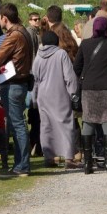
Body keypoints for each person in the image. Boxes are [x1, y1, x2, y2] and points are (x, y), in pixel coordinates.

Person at [74, 17, 107, 174]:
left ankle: (87, 164)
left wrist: (84, 78)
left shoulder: (85, 44)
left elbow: (76, 66)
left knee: (88, 121)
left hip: (89, 88)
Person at [0, 3, 34, 177]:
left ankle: (22, 166)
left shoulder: (14, 35)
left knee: (17, 125)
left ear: (4, 18)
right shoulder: (23, 31)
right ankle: (20, 164)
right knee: (19, 124)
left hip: (13, 83)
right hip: (20, 82)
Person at [32, 31, 80, 169]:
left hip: (43, 96)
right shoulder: (61, 54)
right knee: (65, 124)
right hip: (60, 94)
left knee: (46, 126)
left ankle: (49, 157)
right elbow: (69, 77)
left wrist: (34, 98)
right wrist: (73, 93)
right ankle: (69, 157)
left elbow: (34, 79)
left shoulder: (38, 57)